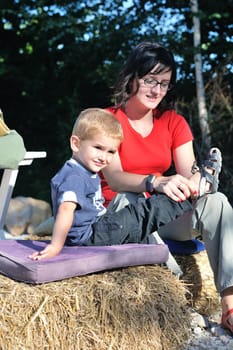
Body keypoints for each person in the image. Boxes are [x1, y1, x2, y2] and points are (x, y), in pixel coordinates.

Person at [100, 41, 233, 334]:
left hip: (161, 216)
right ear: (132, 78)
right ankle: (174, 300)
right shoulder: (108, 120)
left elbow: (188, 172)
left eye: (164, 83)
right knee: (129, 194)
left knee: (218, 201)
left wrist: (201, 180)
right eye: (150, 80)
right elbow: (115, 177)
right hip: (122, 214)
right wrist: (156, 181)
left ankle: (230, 307)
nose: (156, 90)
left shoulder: (173, 122)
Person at [29, 107, 193, 261]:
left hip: (97, 227)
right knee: (141, 215)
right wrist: (55, 246)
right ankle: (188, 194)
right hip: (90, 236)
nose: (104, 157)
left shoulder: (82, 170)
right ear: (76, 143)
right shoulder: (74, 177)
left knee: (135, 216)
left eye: (111, 152)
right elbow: (65, 209)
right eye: (98, 147)